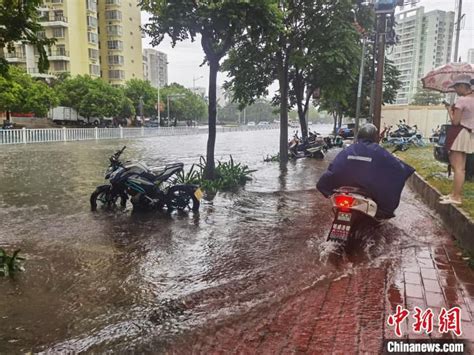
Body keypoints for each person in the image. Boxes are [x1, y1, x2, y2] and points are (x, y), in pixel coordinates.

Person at [316, 123, 415, 219]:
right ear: (374, 137)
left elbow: (333, 167)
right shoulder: (379, 151)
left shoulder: (347, 149)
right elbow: (398, 169)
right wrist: (407, 170)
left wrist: (330, 191)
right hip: (366, 192)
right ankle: (384, 212)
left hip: (344, 189)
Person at [441, 74, 474, 205]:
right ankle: (454, 194)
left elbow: (455, 122)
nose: (455, 90)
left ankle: (456, 197)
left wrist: (450, 110)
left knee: (458, 167)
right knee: (462, 167)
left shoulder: (462, 101)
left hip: (459, 133)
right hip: (468, 134)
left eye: (456, 87)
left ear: (462, 86)